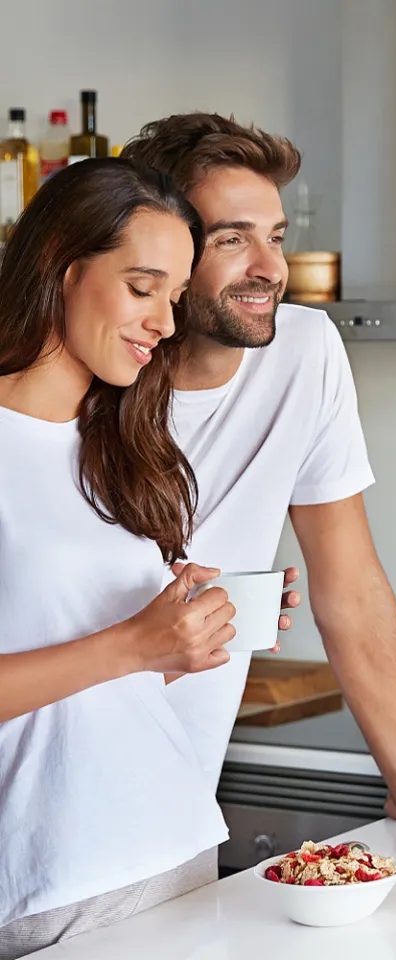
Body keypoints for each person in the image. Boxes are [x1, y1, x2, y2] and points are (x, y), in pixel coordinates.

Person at [122, 116, 396, 820]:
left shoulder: (306, 350)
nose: (269, 268)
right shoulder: (85, 370)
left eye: (275, 236)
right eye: (232, 239)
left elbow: (350, 587)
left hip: (179, 806)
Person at [0, 159, 238, 955]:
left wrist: (178, 637)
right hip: (56, 885)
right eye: (144, 289)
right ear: (62, 267)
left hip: (179, 849)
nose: (166, 324)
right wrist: (132, 644)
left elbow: (100, 683)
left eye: (174, 298)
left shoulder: (121, 450)